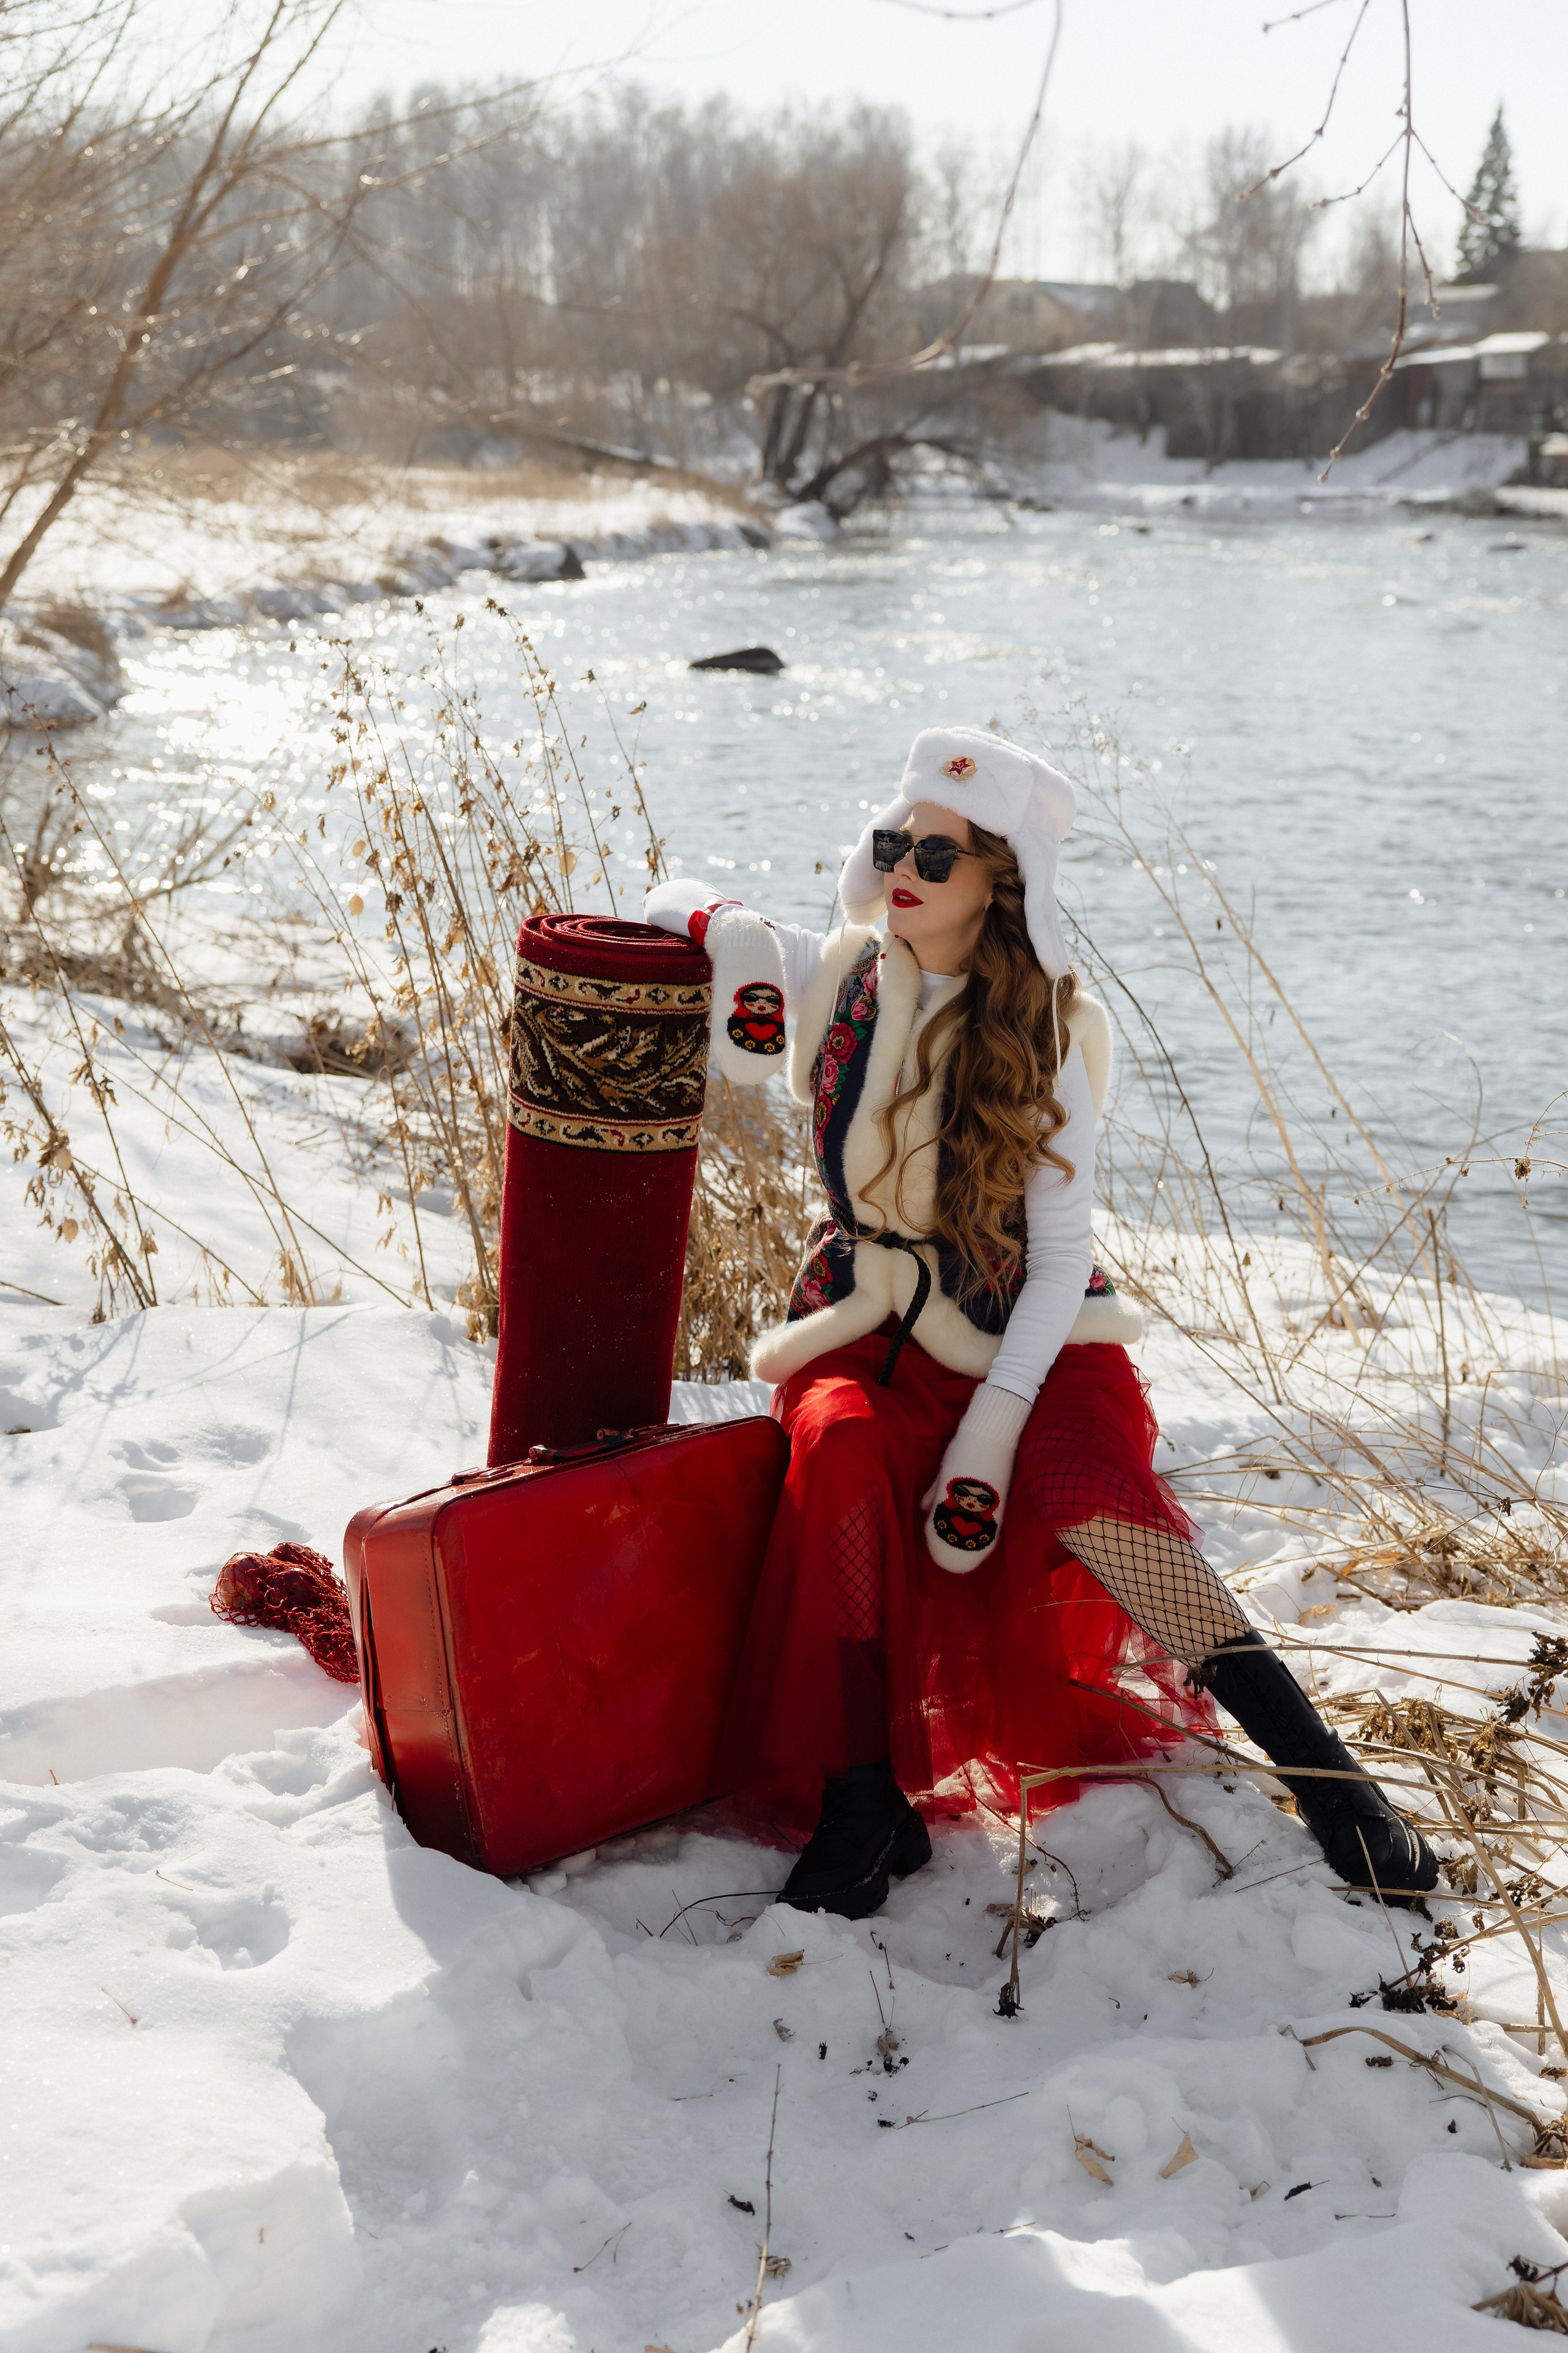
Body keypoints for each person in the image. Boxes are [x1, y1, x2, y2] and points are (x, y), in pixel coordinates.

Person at [646, 726, 1437, 1921]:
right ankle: (866, 1808)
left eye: (937, 854)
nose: (904, 866)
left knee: (1092, 1499)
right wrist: (741, 936)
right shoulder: (843, 969)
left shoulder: (1048, 1032)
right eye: (889, 842)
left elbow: (1061, 1256)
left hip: (1020, 1332)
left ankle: (1328, 1783)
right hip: (858, 1322)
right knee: (840, 1451)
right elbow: (660, 899)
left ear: (999, 880)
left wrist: (991, 1429)